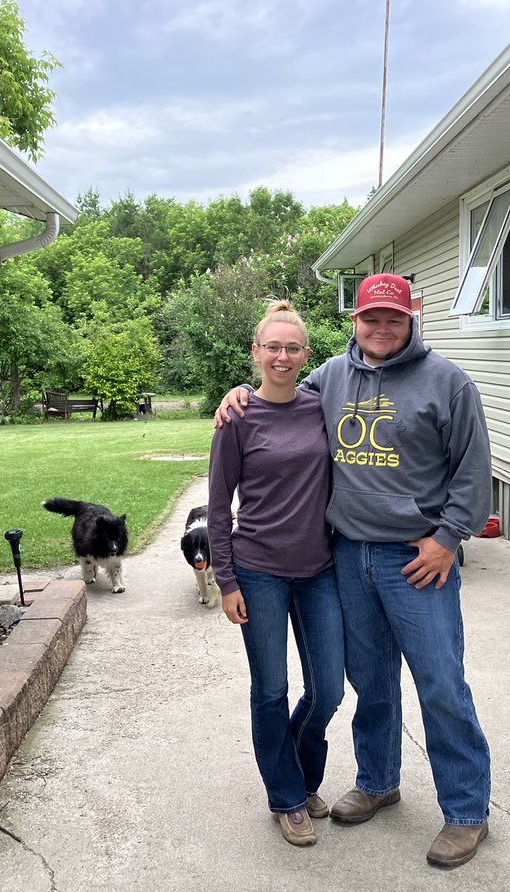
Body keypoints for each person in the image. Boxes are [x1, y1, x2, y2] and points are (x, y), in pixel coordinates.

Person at [217, 273, 493, 869]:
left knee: (441, 683)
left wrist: (449, 540)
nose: (382, 328)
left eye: (394, 318)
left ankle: (467, 812)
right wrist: (236, 391)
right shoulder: (331, 378)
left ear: (411, 318)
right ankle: (377, 780)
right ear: (355, 320)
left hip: (418, 560)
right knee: (371, 682)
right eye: (372, 318)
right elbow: (277, 389)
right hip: (345, 553)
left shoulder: (449, 382)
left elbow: (474, 473)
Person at [208, 300, 345, 848]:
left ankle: (292, 771)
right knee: (270, 689)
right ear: (256, 353)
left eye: (292, 348)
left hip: (319, 570)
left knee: (329, 689)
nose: (282, 356)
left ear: (305, 355)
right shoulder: (237, 418)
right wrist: (226, 581)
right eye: (273, 347)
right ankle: (289, 797)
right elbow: (218, 506)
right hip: (258, 570)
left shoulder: (321, 406)